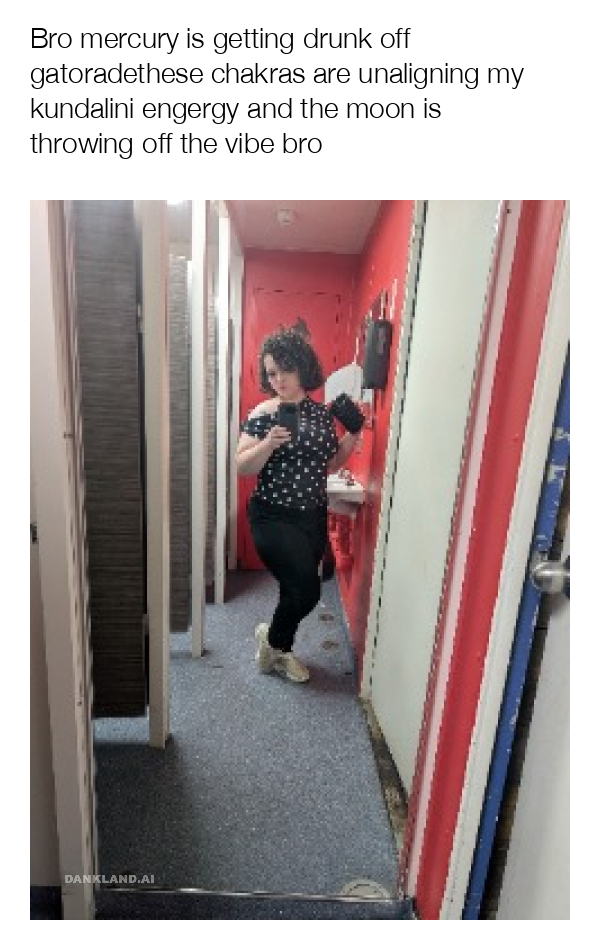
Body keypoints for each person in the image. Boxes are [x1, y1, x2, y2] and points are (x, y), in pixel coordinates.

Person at [236, 327, 363, 684]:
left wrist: (353, 434)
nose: (278, 379)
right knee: (307, 590)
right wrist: (267, 444)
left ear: (302, 367)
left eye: (285, 370)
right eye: (271, 373)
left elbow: (331, 464)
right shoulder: (264, 412)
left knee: (295, 588)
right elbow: (242, 465)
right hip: (273, 516)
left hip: (312, 516)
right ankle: (273, 642)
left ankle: (279, 650)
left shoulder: (322, 415)